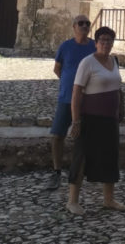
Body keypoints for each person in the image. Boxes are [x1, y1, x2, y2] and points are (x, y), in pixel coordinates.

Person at [66, 25, 125, 215]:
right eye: (102, 40)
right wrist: (76, 121)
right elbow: (76, 92)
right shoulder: (88, 63)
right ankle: (72, 200)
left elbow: (118, 87)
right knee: (82, 157)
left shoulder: (114, 61)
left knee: (110, 157)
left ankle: (109, 199)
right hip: (90, 118)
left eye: (109, 40)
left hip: (110, 119)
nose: (106, 44)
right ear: (96, 42)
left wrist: (121, 108)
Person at [46, 15, 96, 190]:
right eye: (81, 23)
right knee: (57, 135)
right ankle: (57, 171)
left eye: (87, 24)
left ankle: (81, 172)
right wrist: (70, 84)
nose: (84, 26)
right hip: (66, 98)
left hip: (88, 99)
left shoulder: (93, 47)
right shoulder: (65, 46)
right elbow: (57, 68)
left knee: (85, 137)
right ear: (74, 26)